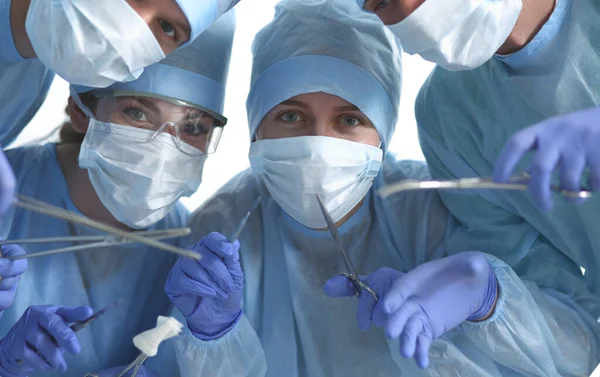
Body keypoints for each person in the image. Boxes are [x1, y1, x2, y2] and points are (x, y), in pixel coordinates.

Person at [163, 0, 600, 375]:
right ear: (254, 127)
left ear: (384, 134)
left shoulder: (434, 209)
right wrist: (215, 337)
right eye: (291, 116)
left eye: (349, 120)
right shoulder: (222, 230)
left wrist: (489, 303)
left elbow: (573, 344)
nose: (319, 146)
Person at [0, 11, 235, 377]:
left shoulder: (191, 261)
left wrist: (215, 336)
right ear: (81, 111)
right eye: (138, 113)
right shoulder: (8, 192)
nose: (163, 148)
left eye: (193, 126)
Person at [360, 0, 600, 305]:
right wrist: (487, 304)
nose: (410, 9)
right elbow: (561, 309)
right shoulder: (449, 117)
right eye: (383, 2)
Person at [0, 0, 242, 213]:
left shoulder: (31, 70)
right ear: (80, 110)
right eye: (137, 113)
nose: (130, 30)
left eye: (167, 27)